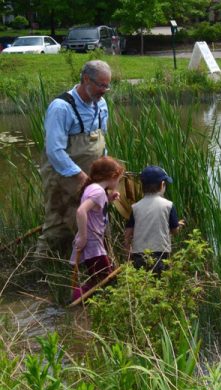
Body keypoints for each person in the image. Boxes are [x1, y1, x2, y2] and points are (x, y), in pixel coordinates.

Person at [37, 60, 112, 257]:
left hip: (91, 175)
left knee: (95, 216)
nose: (105, 90)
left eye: (107, 85)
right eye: (101, 85)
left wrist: (106, 172)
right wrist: (81, 177)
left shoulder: (101, 104)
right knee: (58, 222)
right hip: (61, 174)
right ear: (86, 79)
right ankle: (38, 269)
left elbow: (101, 140)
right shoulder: (61, 107)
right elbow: (55, 151)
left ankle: (88, 264)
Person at [70, 157, 124, 301]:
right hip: (92, 242)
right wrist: (83, 236)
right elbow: (81, 211)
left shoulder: (95, 189)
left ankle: (83, 299)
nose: (118, 183)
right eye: (119, 179)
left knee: (99, 278)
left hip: (95, 241)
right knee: (107, 279)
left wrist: (109, 198)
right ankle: (79, 298)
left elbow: (95, 208)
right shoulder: (98, 192)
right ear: (113, 176)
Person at [124, 166, 183, 275]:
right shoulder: (168, 206)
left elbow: (128, 234)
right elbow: (174, 231)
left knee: (143, 284)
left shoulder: (135, 207)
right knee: (159, 285)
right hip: (160, 254)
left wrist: (129, 254)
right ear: (162, 185)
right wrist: (178, 226)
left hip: (139, 255)